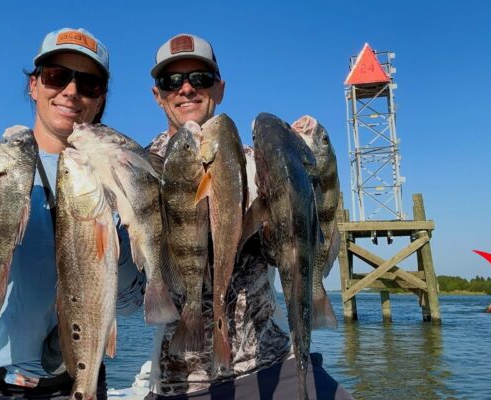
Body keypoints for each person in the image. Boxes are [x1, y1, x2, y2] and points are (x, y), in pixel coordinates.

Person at [0, 27, 145, 400]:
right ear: (34, 85)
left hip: (73, 380)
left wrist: (111, 227)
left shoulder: (116, 177)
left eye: (89, 83)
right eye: (56, 76)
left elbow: (131, 303)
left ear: (100, 99)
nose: (71, 91)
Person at [145, 33, 354, 400]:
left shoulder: (257, 161)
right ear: (157, 94)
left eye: (201, 79)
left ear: (220, 89)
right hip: (180, 380)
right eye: (172, 81)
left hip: (272, 360)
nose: (187, 89)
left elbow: (284, 254)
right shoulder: (141, 169)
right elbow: (132, 291)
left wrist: (296, 194)